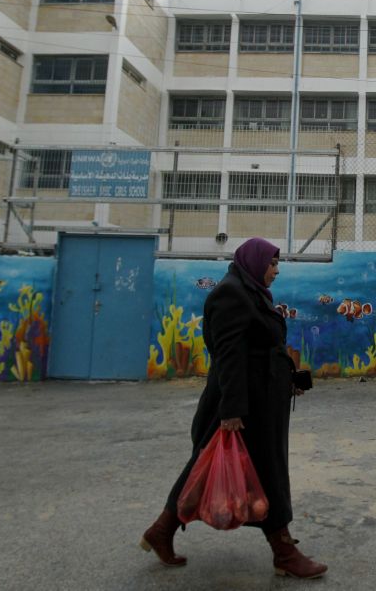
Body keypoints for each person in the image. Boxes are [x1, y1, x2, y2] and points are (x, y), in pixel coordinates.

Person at [140, 237, 327, 579]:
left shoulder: (251, 292)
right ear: (255, 262)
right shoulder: (232, 295)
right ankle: (284, 551)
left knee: (204, 466)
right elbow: (229, 356)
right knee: (267, 472)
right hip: (243, 406)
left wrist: (296, 381)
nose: (276, 269)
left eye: (276, 263)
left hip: (258, 400)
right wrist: (231, 411)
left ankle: (161, 530)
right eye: (271, 263)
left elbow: (268, 348)